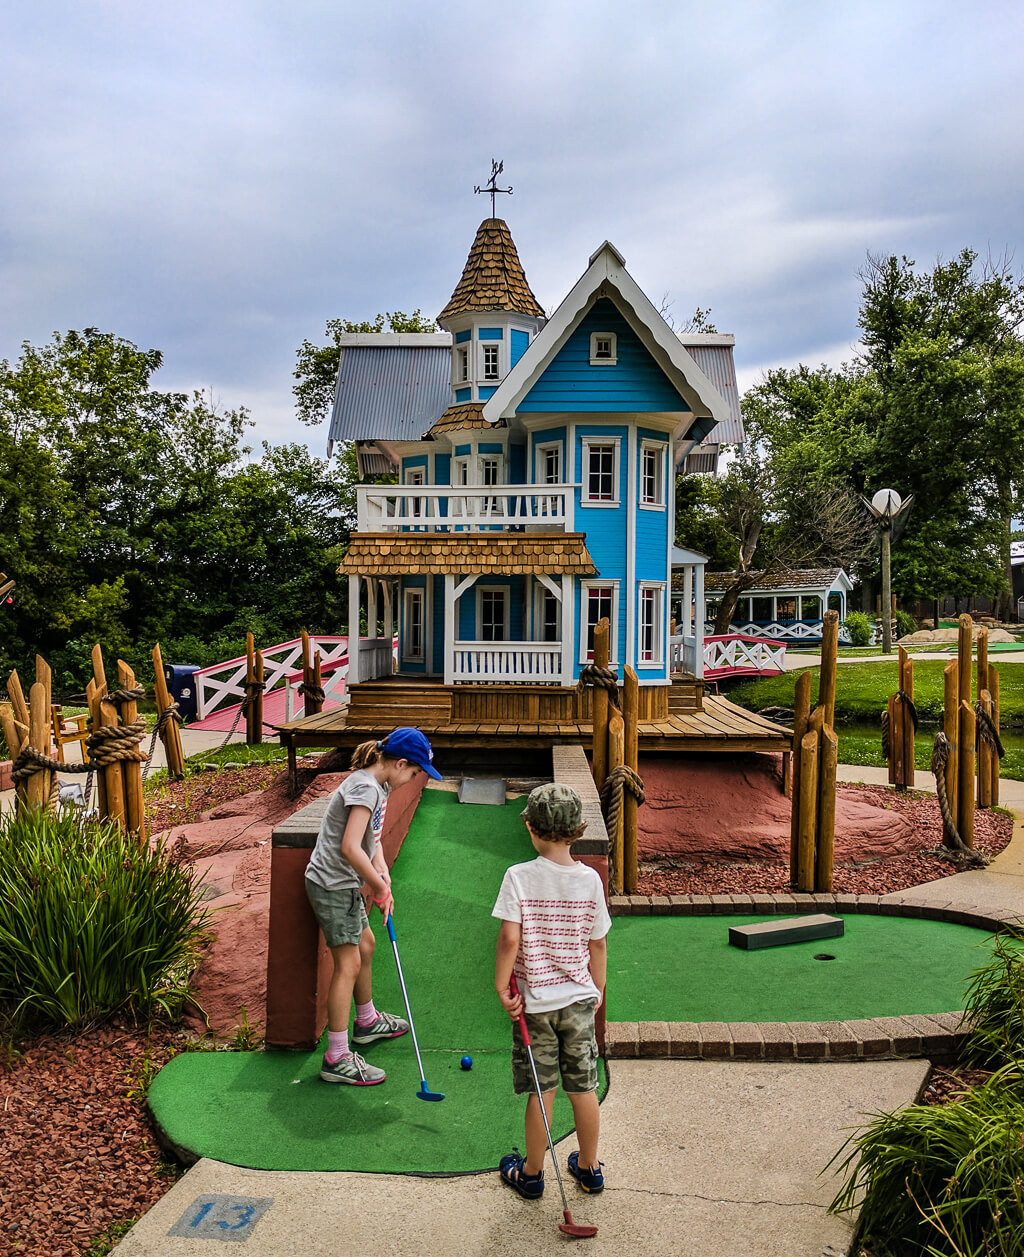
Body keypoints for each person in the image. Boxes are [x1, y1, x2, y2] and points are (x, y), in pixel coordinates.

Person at [492, 782, 611, 1198]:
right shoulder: (591, 881)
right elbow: (597, 943)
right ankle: (590, 1167)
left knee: (543, 1092)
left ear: (530, 827)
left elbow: (510, 938)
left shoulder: (518, 877)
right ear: (579, 828)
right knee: (584, 1088)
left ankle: (531, 1173)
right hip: (578, 1001)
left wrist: (501, 986)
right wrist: (597, 990)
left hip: (535, 1005)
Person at [305, 726, 442, 1085]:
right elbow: (351, 846)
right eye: (414, 773)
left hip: (343, 884)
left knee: (366, 945)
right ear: (399, 763)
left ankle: (366, 1021)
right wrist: (378, 887)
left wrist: (382, 873)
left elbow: (372, 839)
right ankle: (336, 1057)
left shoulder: (377, 786)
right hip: (332, 885)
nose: (413, 779)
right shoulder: (365, 788)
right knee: (347, 964)